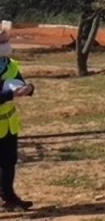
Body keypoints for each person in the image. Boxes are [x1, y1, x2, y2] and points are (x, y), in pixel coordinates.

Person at [0, 29, 34, 211]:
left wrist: (28, 88)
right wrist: (10, 93)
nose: (5, 43)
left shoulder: (9, 64)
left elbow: (19, 81)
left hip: (8, 124)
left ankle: (8, 198)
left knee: (8, 163)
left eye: (5, 39)